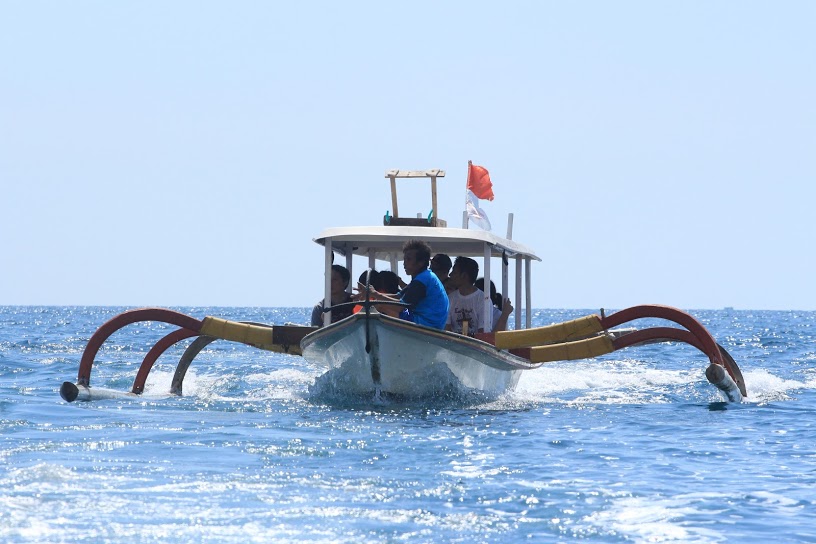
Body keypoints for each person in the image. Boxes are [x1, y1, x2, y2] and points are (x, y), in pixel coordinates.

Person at [353, 240, 448, 329]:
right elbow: (399, 296)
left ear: (421, 262)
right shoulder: (424, 276)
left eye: (409, 259)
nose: (404, 263)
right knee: (378, 303)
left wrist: (376, 295)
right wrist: (371, 294)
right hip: (427, 322)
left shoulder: (423, 280)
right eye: (405, 259)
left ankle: (362, 330)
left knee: (381, 305)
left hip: (428, 325)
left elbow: (399, 307)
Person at [445, 257, 487, 336]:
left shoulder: (483, 300)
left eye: (454, 272)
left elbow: (483, 333)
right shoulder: (450, 299)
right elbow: (447, 329)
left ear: (464, 275)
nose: (450, 274)